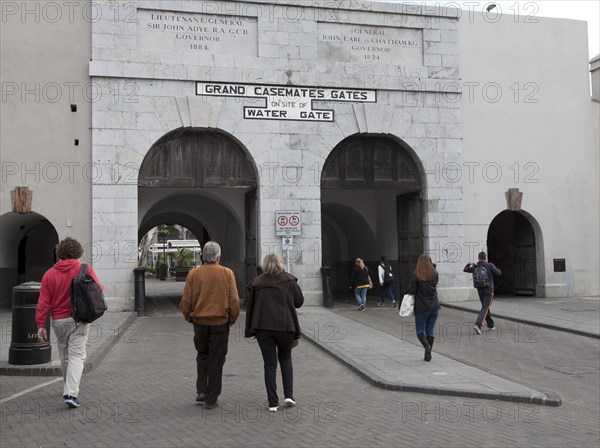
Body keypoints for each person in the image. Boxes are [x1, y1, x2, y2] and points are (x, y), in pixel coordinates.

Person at [36, 237, 103, 409]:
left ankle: (68, 387)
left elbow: (43, 302)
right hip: (79, 319)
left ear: (59, 253)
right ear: (78, 252)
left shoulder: (49, 274)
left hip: (58, 321)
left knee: (65, 355)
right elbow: (99, 289)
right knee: (77, 356)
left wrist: (40, 325)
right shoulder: (84, 269)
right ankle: (71, 393)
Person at [180, 241, 240, 409]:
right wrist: (232, 318)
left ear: (203, 257)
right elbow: (234, 300)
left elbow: (186, 301)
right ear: (218, 257)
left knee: (202, 355)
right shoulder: (227, 273)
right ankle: (212, 398)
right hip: (220, 322)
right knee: (217, 359)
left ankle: (201, 390)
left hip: (200, 322)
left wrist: (189, 316)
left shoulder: (193, 274)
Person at [245, 254, 304, 412]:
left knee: (269, 364)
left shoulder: (257, 283)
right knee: (285, 359)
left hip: (263, 328)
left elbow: (250, 306)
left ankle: (272, 403)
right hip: (286, 327)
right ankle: (289, 395)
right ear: (281, 264)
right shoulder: (289, 281)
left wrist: (251, 327)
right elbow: (299, 301)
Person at [408, 254, 440, 362]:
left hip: (421, 307)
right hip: (434, 306)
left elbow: (412, 291)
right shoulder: (435, 273)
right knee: (430, 330)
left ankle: (426, 346)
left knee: (419, 330)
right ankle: (428, 355)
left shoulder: (415, 274)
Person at [463, 251, 502, 335]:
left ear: (478, 258)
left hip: (480, 290)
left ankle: (490, 325)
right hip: (489, 290)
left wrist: (469, 264)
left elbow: (465, 269)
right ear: (485, 257)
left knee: (485, 307)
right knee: (485, 307)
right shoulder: (490, 265)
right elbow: (499, 273)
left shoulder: (475, 266)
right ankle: (478, 325)